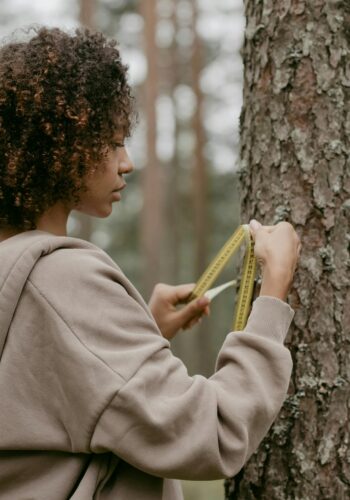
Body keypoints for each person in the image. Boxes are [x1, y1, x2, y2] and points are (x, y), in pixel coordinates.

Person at [0, 27, 301, 500]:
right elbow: (213, 431)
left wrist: (147, 329)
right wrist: (273, 293)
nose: (127, 163)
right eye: (113, 142)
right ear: (61, 145)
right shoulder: (61, 278)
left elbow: (49, 400)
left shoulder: (14, 278)